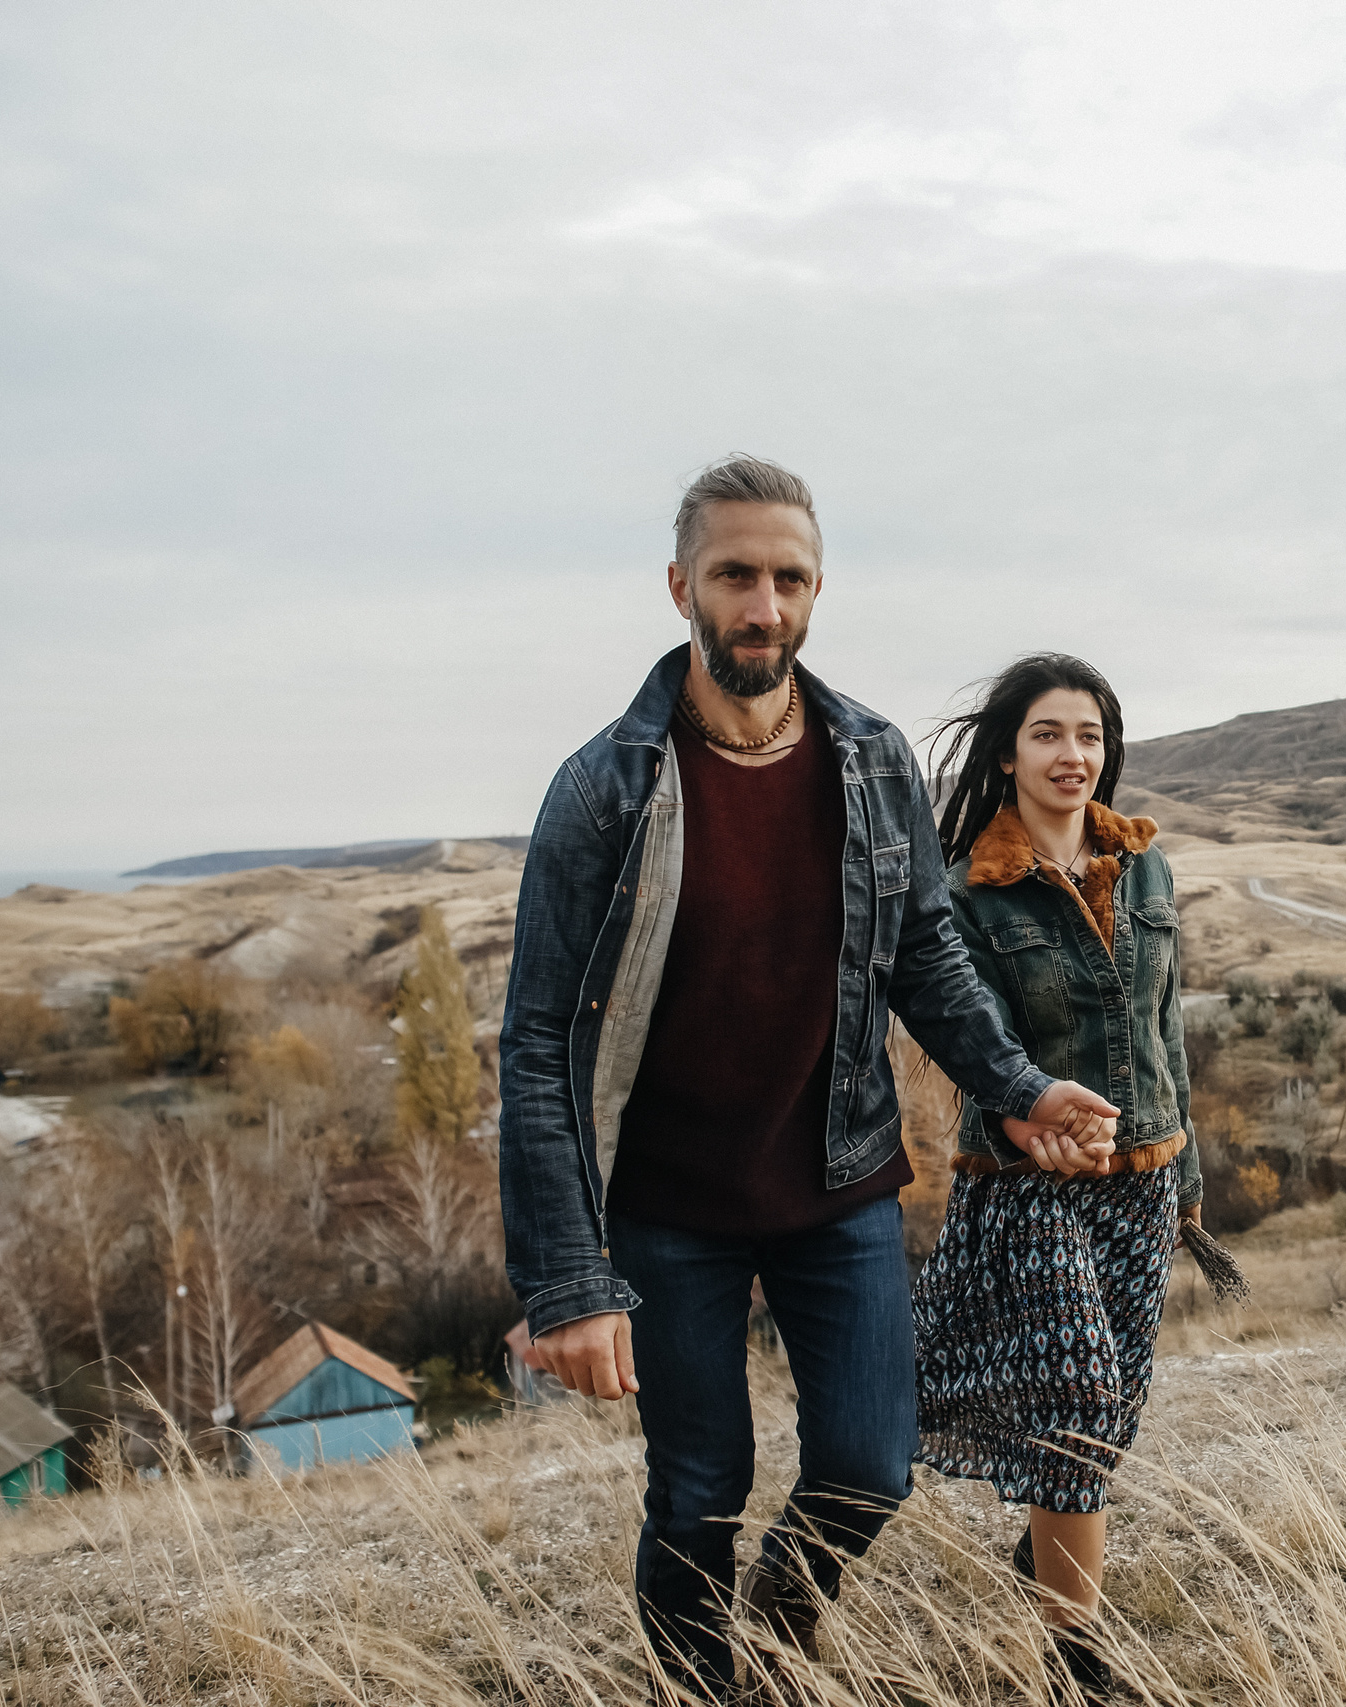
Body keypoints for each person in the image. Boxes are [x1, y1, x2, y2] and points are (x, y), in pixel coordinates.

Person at [496, 457, 1122, 1699]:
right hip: (668, 1212)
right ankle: (708, 1683)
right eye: (736, 576)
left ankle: (780, 1617)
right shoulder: (604, 789)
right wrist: (568, 1281)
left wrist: (1014, 1085)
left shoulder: (870, 758)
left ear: (817, 589)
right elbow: (536, 1047)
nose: (763, 606)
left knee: (869, 1465)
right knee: (697, 1490)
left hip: (836, 1181)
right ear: (681, 586)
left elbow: (926, 957)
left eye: (788, 578)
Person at [912, 654, 1242, 1702]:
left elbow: (1163, 1025)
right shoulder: (967, 888)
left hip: (1140, 1180)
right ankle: (1077, 1664)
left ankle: (1047, 1560)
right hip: (1024, 1185)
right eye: (1049, 733)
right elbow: (978, 1048)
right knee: (1079, 1404)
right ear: (1007, 752)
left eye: (1089, 735)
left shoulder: (1145, 869)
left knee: (1106, 1417)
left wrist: (1182, 1170)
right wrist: (1029, 1128)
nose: (1072, 754)